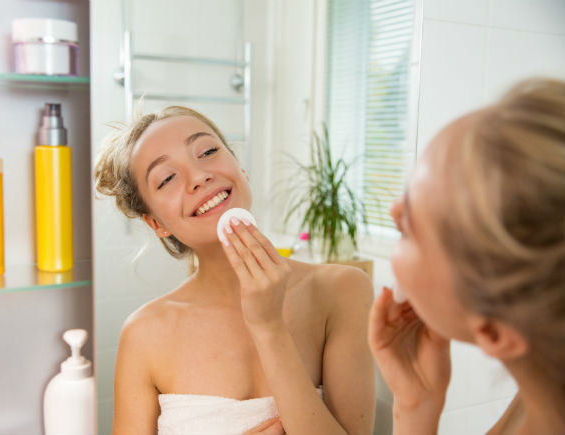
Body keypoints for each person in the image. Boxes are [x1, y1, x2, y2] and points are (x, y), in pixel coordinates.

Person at [94, 106, 375, 435]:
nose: (199, 177)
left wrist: (269, 327)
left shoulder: (343, 291)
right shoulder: (144, 333)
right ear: (156, 223)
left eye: (208, 151)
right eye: (167, 178)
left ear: (241, 169)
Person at [368, 78, 565, 435]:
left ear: (493, 330)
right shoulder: (540, 398)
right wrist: (416, 406)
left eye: (408, 229)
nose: (392, 209)